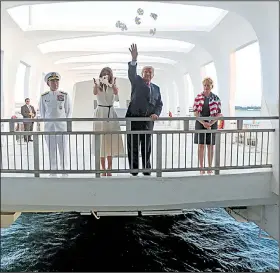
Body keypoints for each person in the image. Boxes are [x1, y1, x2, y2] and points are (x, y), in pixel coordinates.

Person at [126, 44, 163, 176]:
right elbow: (131, 73)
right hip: (134, 119)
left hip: (148, 122)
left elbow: (159, 104)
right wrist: (134, 59)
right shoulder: (136, 81)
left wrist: (156, 114)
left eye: (150, 72)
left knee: (146, 146)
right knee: (133, 145)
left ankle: (146, 169)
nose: (147, 73)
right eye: (145, 71)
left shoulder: (157, 88)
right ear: (142, 74)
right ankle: (134, 169)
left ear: (153, 75)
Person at [92, 67, 124, 176]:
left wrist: (113, 84)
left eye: (108, 74)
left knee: (110, 140)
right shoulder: (98, 85)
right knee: (101, 140)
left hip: (110, 113)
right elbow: (95, 92)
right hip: (100, 113)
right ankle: (103, 167)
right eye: (104, 74)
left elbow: (116, 94)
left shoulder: (113, 86)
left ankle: (110, 167)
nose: (106, 75)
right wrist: (97, 84)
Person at [39, 72, 72, 176]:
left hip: (62, 127)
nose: (55, 83)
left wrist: (67, 126)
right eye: (52, 81)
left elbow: (68, 111)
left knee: (63, 149)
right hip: (49, 128)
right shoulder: (44, 97)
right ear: (48, 83)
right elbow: (42, 112)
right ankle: (53, 169)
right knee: (51, 149)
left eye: (57, 81)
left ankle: (64, 169)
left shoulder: (64, 95)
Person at [193, 77, 221, 175]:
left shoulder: (216, 98)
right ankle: (201, 167)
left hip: (212, 124)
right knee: (201, 146)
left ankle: (209, 167)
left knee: (210, 146)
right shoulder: (198, 97)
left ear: (211, 86)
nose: (206, 87)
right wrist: (204, 123)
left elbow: (219, 114)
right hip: (200, 123)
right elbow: (195, 113)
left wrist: (210, 123)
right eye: (205, 85)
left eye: (208, 85)